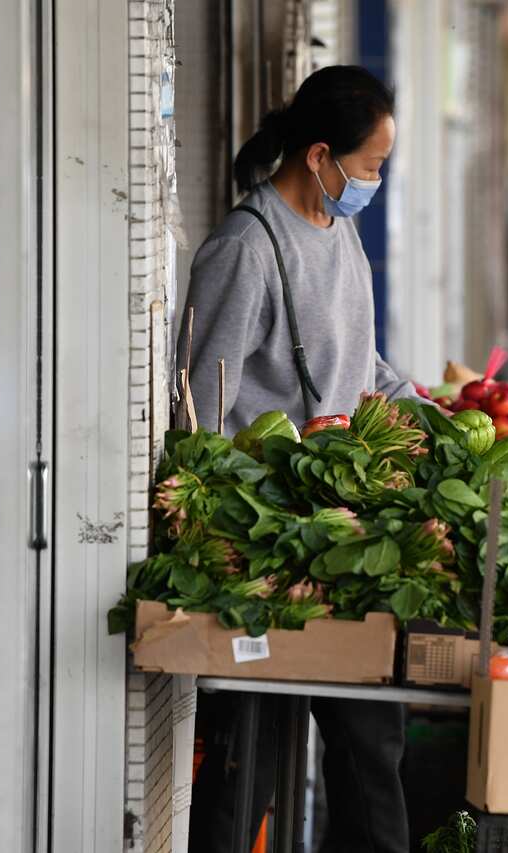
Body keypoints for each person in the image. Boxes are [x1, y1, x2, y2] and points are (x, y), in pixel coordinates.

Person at [178, 65, 413, 853]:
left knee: (370, 749)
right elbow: (201, 417)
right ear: (320, 155)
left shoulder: (340, 236)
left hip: (346, 539)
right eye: (371, 166)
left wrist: (438, 415)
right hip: (268, 552)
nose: (375, 182)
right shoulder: (245, 249)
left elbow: (365, 368)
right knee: (249, 762)